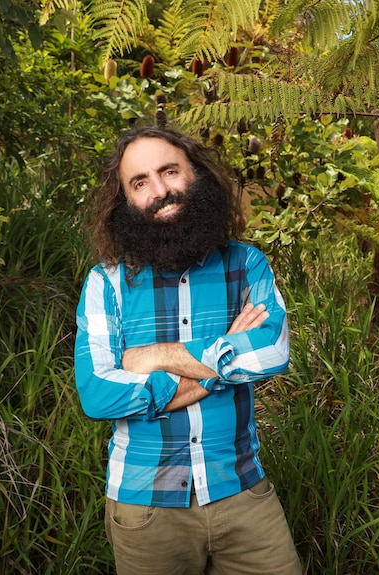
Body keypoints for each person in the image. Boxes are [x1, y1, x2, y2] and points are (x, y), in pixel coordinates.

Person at [74, 125, 301, 575]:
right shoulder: (106, 283)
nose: (159, 190)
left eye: (169, 171)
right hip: (145, 509)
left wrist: (150, 358)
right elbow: (98, 393)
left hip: (242, 494)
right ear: (125, 200)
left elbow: (272, 350)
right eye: (140, 182)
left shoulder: (246, 264)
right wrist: (226, 362)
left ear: (195, 173)